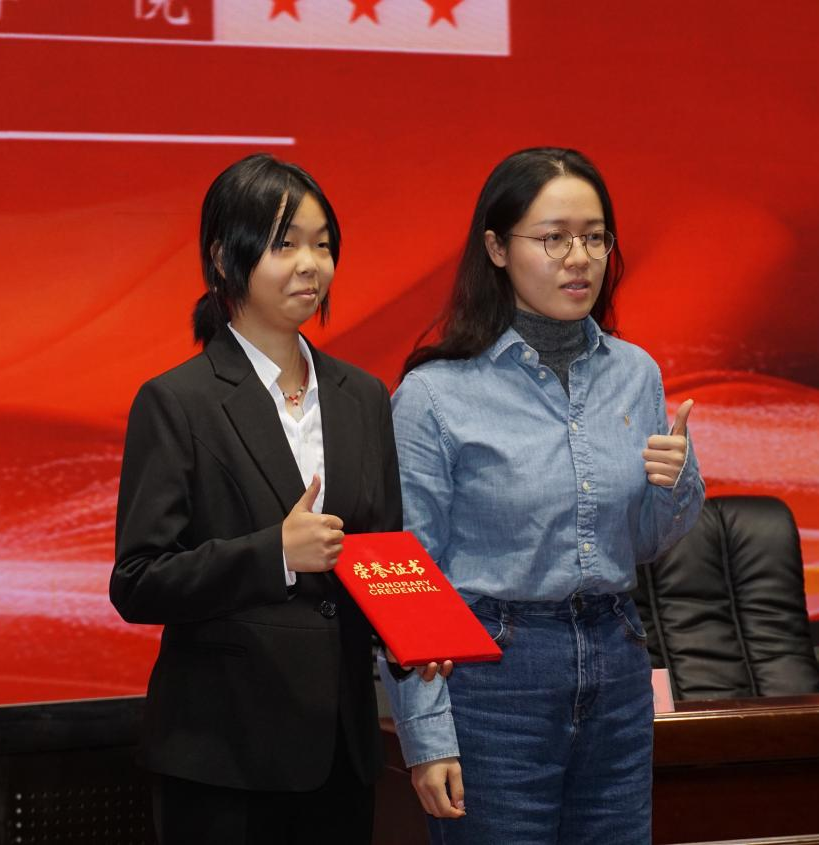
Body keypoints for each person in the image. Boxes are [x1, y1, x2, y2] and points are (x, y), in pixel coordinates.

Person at [110, 153, 444, 844]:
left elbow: (380, 553)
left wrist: (412, 633)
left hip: (341, 753)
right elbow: (138, 580)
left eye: (322, 245)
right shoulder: (177, 401)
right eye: (284, 244)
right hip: (223, 757)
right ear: (223, 258)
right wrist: (276, 554)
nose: (310, 266)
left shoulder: (362, 396)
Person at [379, 147, 705, 844]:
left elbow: (643, 543)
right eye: (553, 238)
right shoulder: (435, 394)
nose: (578, 258)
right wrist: (426, 734)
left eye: (595, 237)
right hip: (492, 676)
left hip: (616, 661)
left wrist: (677, 482)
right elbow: (409, 581)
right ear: (497, 248)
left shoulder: (636, 373)